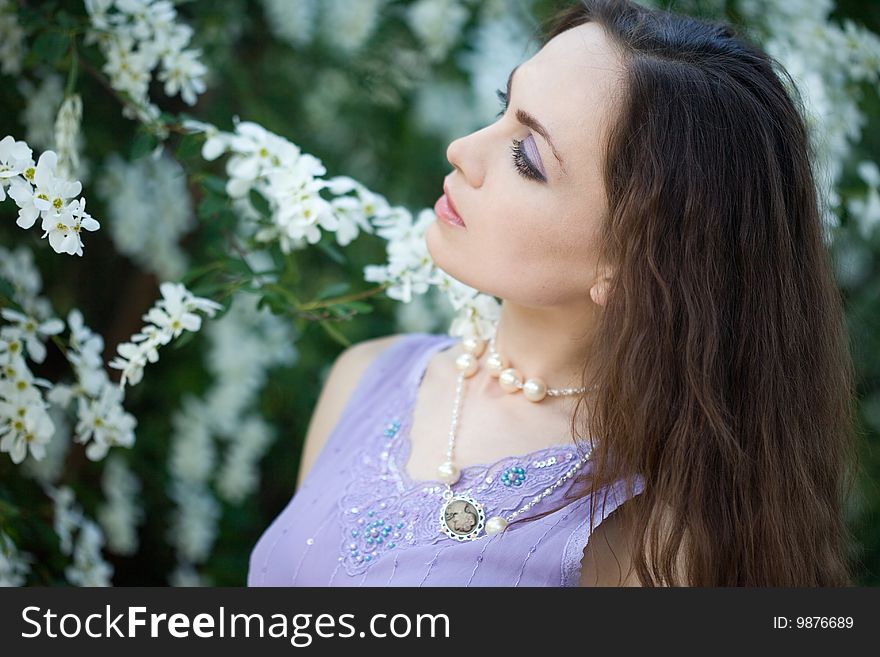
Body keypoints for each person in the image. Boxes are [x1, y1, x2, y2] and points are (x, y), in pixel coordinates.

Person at [248, 0, 859, 587]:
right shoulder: (365, 376)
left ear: (628, 260)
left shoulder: (652, 541)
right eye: (502, 106)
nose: (462, 150)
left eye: (526, 155)